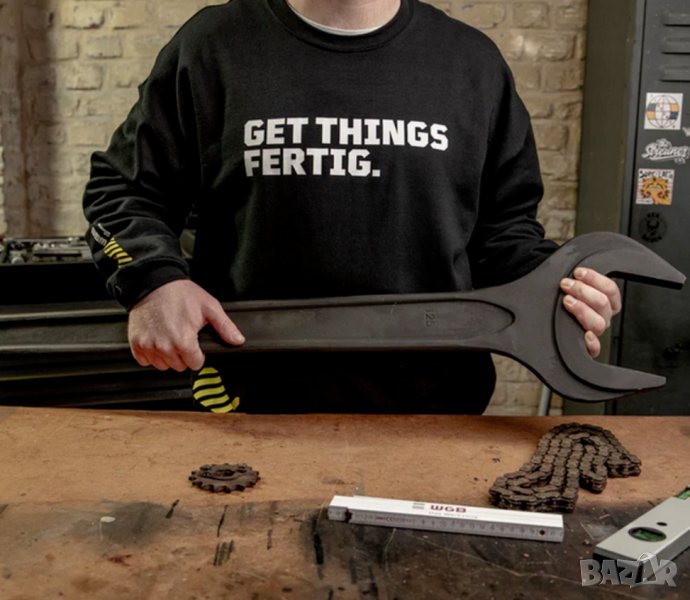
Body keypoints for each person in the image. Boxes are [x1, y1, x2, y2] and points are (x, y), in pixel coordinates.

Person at [82, 0, 621, 414]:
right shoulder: (211, 47)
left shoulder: (472, 64)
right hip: (243, 409)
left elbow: (504, 235)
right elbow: (121, 190)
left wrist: (559, 289)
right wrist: (152, 280)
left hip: (436, 414)